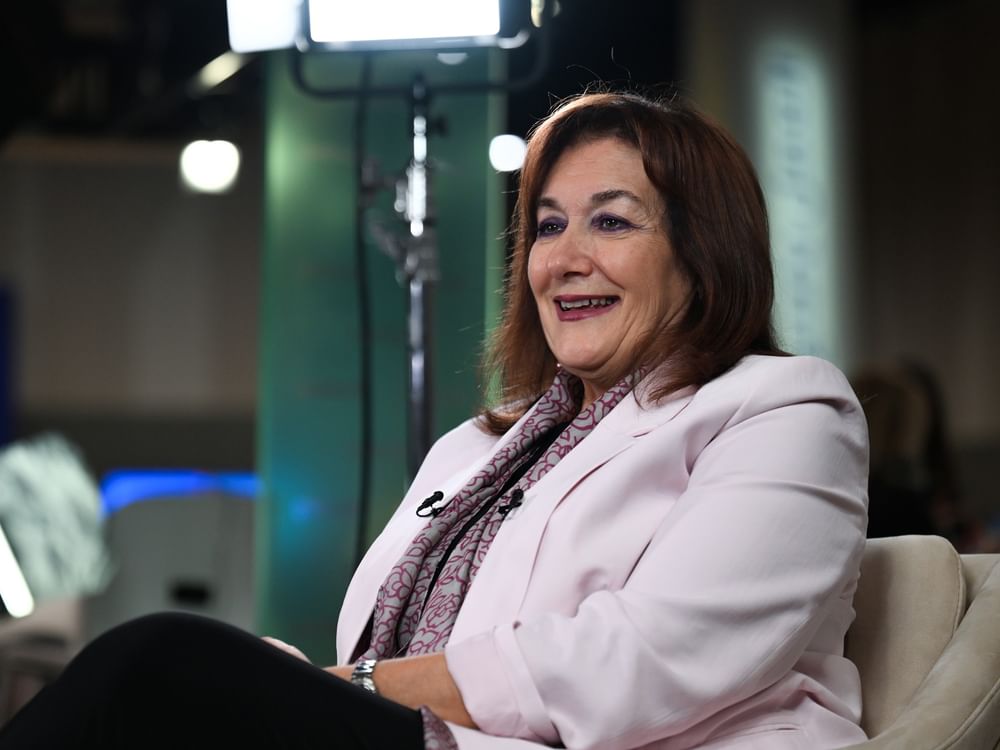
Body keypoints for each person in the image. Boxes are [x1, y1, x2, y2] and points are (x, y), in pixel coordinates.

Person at [0, 89, 869, 749]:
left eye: (611, 222)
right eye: (547, 227)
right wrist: (316, 683)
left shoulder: (785, 409)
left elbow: (643, 664)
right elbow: (376, 643)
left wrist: (354, 688)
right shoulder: (480, 445)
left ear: (703, 249)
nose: (563, 259)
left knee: (159, 663)